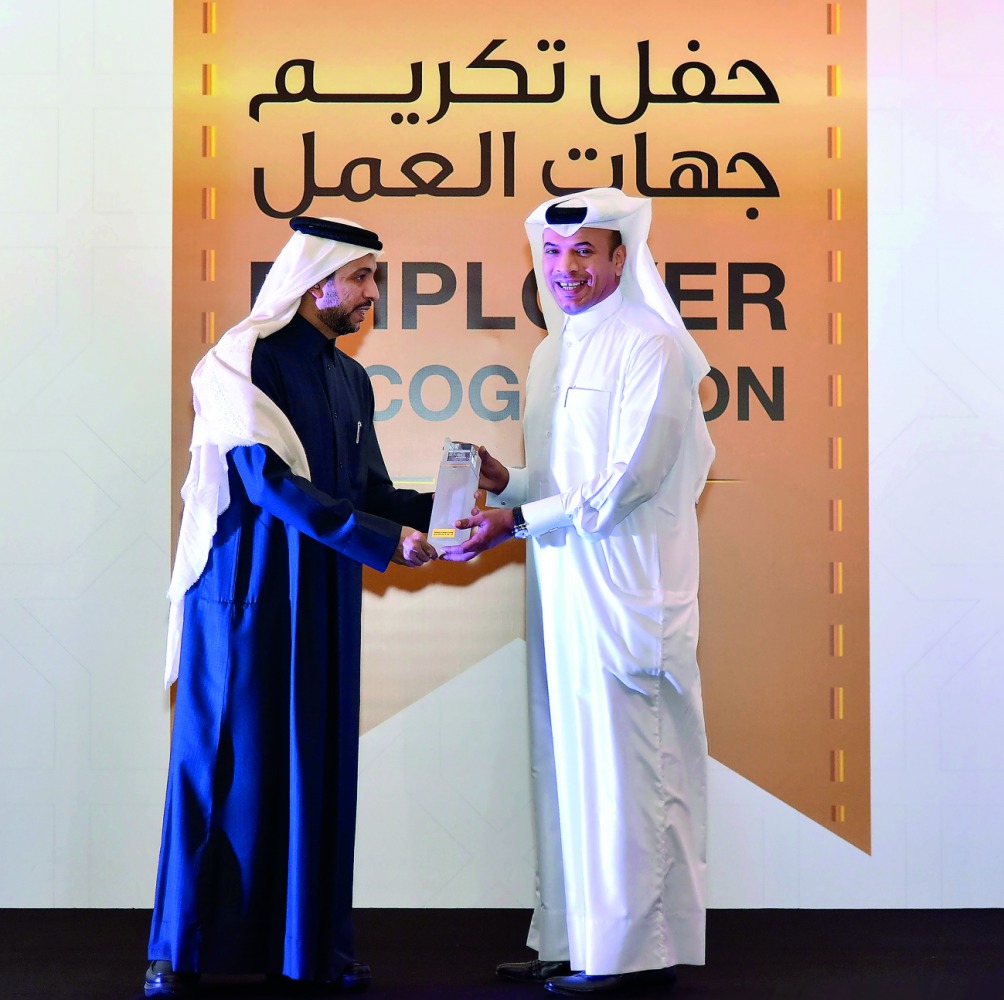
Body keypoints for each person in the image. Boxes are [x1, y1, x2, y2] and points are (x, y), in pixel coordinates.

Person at [145, 216, 437, 998]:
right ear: (318, 283)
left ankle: (309, 948)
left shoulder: (350, 378)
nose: (373, 293)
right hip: (244, 595)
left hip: (323, 591)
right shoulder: (240, 362)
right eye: (364, 278)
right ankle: (179, 952)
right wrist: (384, 541)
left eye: (376, 278)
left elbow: (367, 494)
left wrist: (448, 509)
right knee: (221, 767)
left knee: (314, 765)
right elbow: (269, 484)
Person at [441, 188, 715, 996]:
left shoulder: (652, 347)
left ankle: (633, 951)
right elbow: (566, 482)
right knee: (563, 763)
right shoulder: (553, 353)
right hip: (559, 591)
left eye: (585, 253)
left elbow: (626, 482)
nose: (566, 270)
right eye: (555, 255)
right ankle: (571, 936)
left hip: (627, 589)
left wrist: (520, 520)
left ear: (622, 258)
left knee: (630, 767)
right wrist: (509, 486)